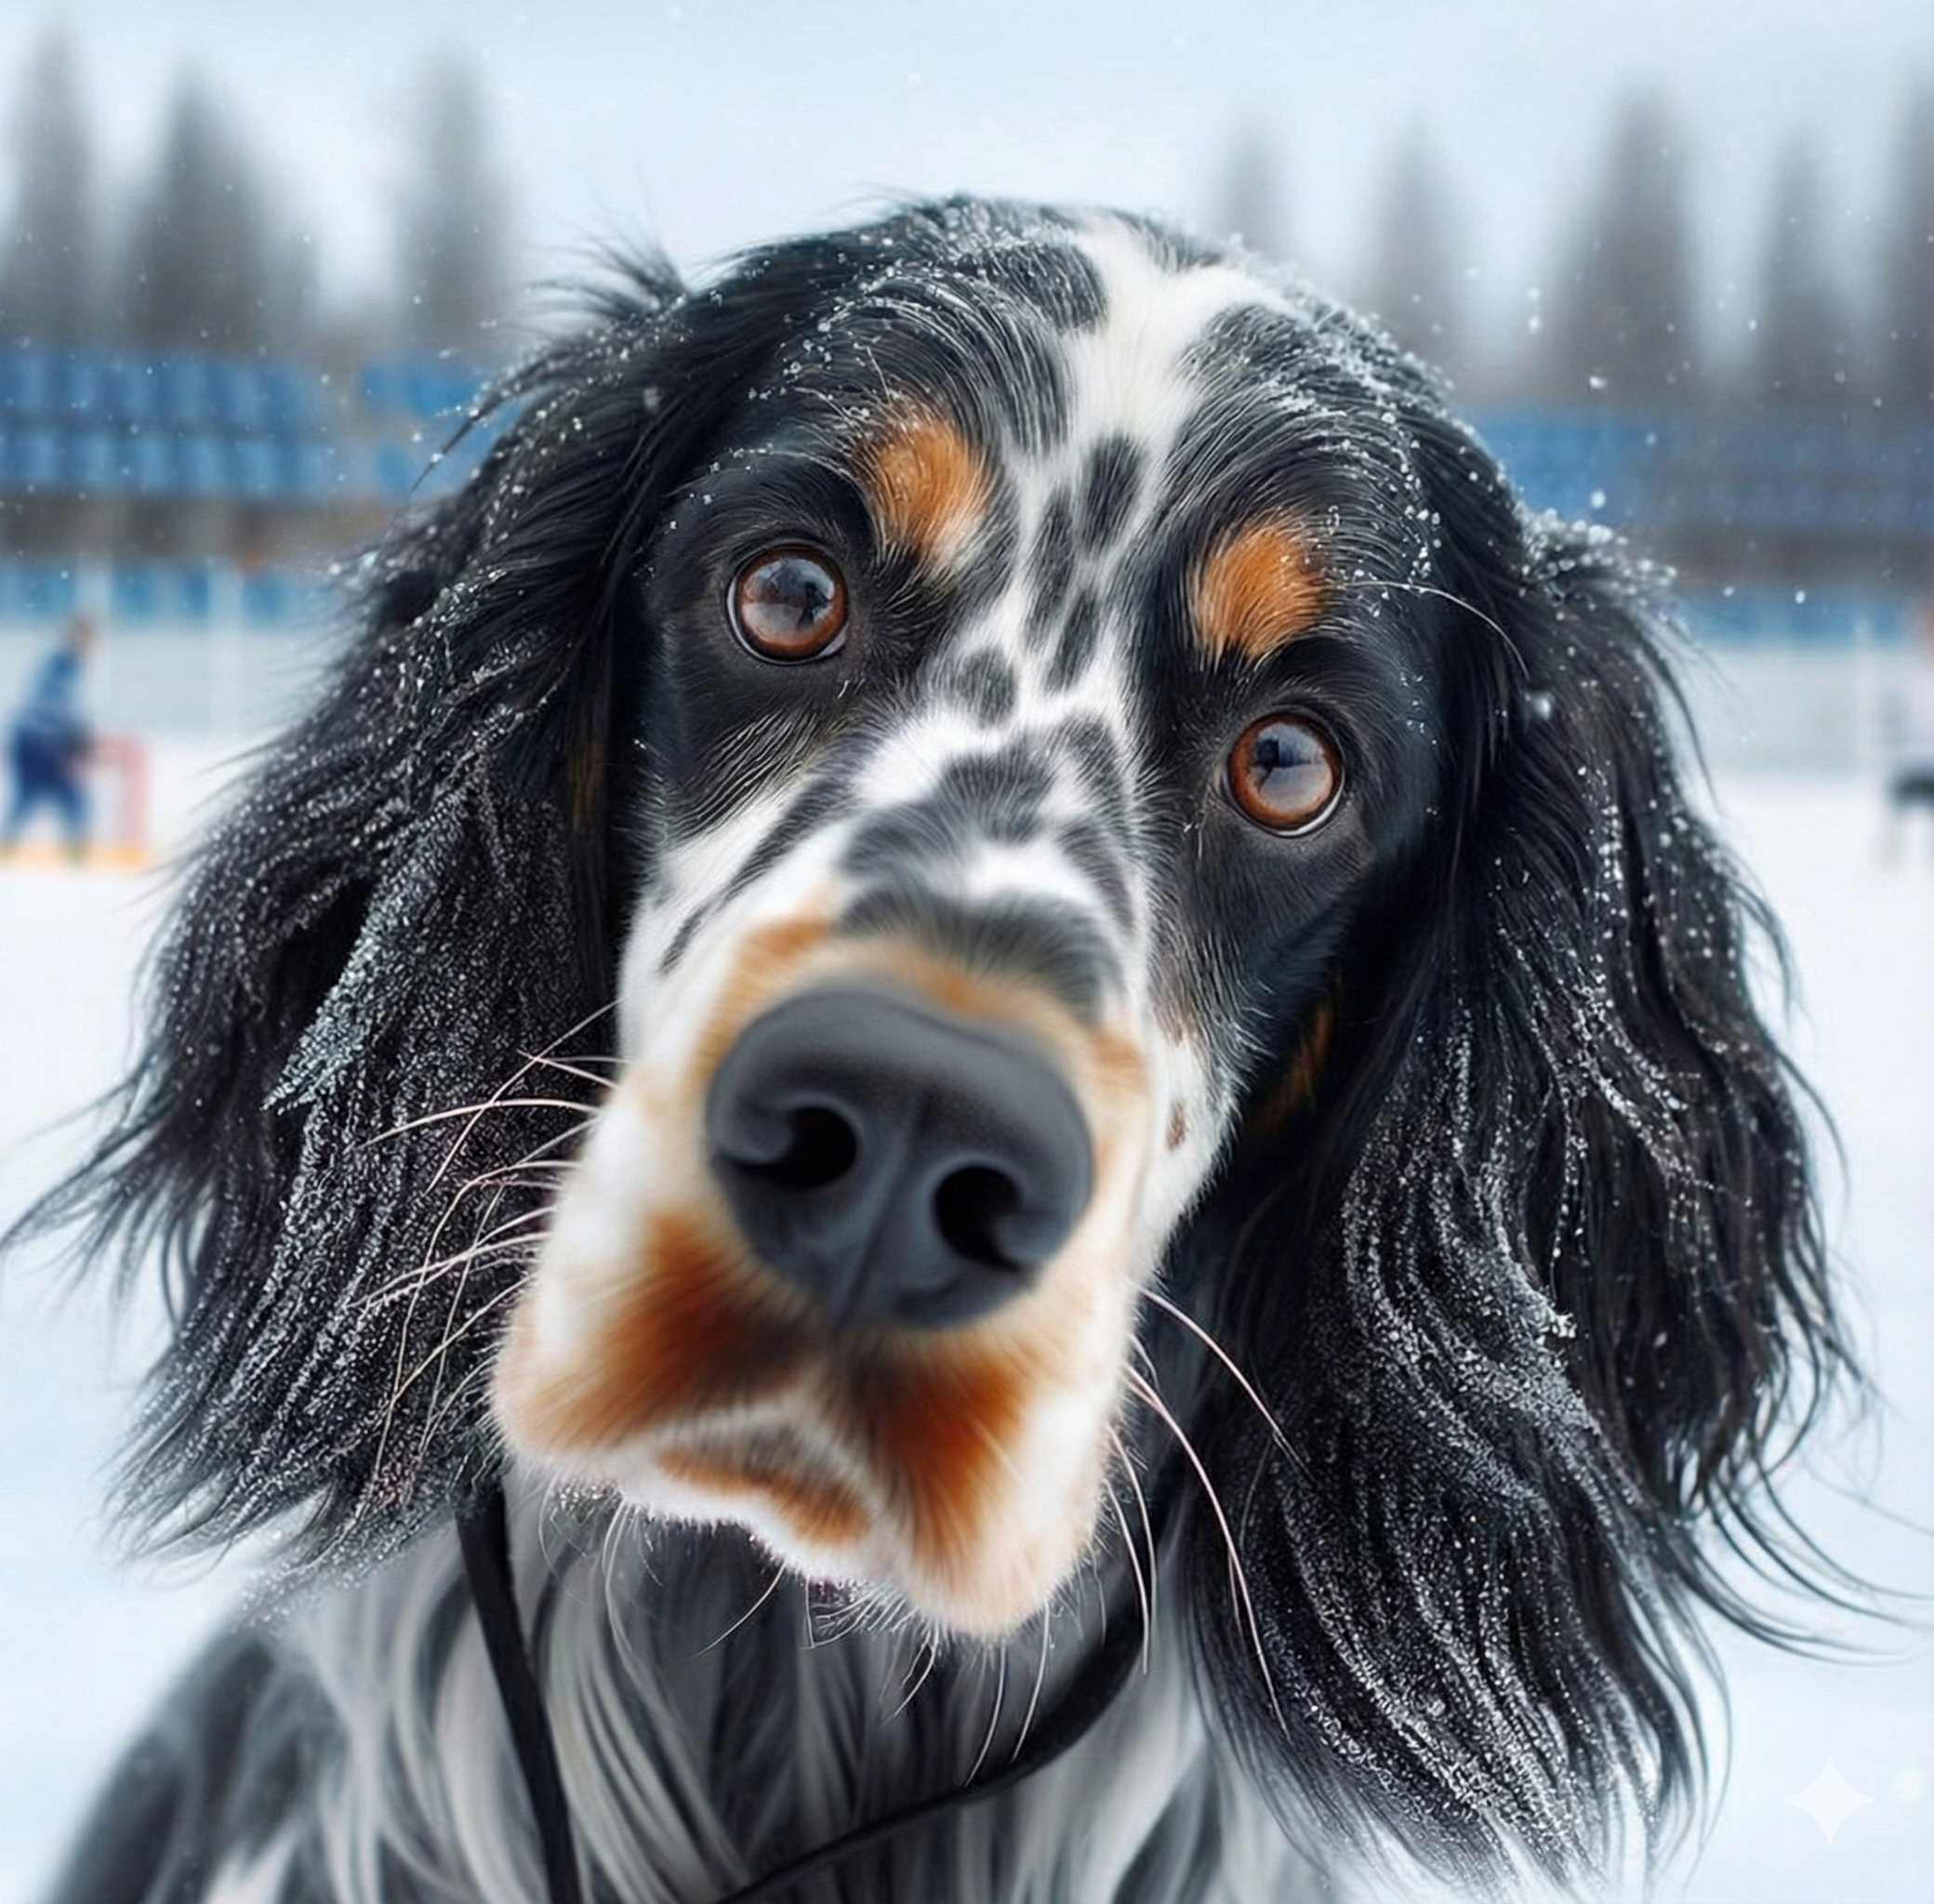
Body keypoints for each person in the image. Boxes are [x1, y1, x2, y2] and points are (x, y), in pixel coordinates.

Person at [2, 613, 96, 858]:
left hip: (36, 742)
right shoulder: (60, 665)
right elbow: (51, 706)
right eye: (84, 636)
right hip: (37, 743)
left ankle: (76, 854)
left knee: (41, 801)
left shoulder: (67, 665)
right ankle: (77, 855)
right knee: (65, 800)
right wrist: (74, 735)